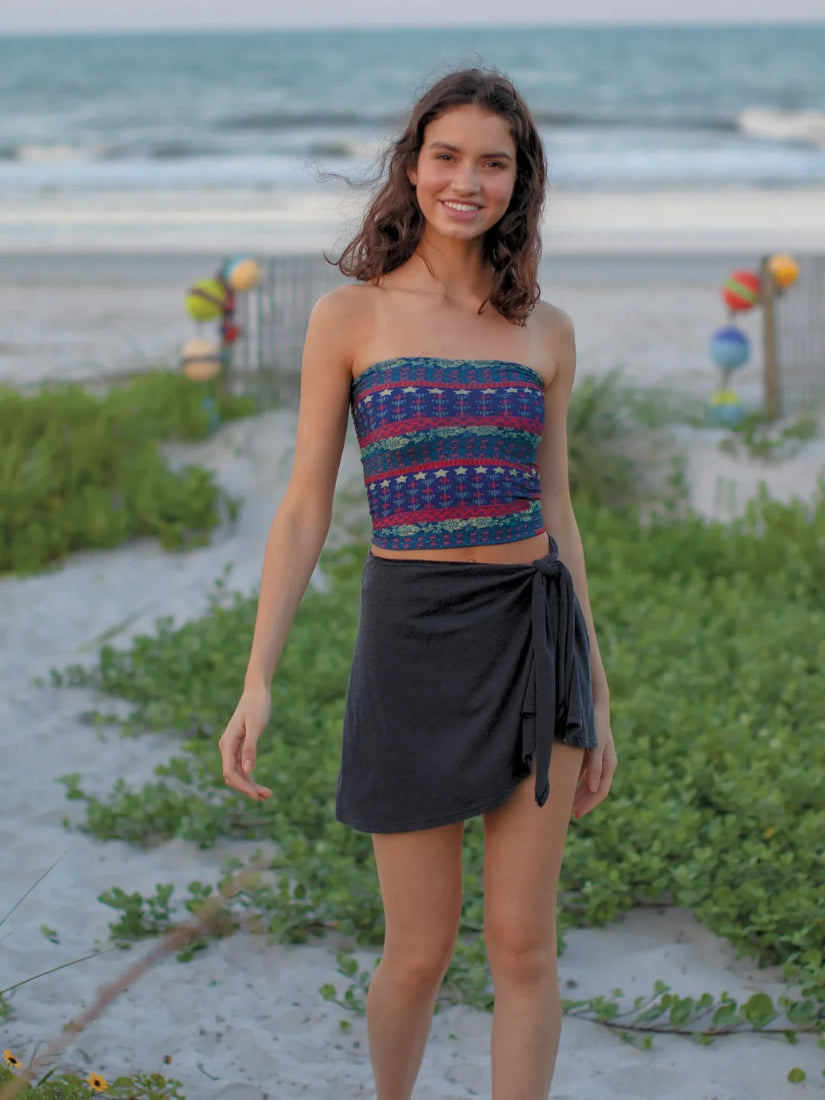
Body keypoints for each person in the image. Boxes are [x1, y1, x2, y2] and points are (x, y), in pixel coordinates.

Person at [218, 66, 617, 1100]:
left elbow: (558, 514)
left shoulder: (547, 331)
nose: (467, 180)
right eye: (448, 157)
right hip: (411, 641)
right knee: (418, 953)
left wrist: (598, 689)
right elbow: (306, 506)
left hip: (534, 642)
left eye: (494, 162)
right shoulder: (349, 318)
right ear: (413, 166)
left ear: (519, 181)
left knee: (525, 948)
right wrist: (258, 674)